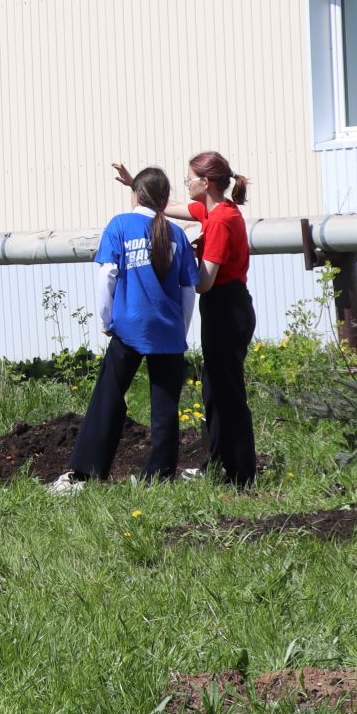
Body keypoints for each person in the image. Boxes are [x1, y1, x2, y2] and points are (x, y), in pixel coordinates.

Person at [52, 168, 200, 492]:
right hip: (168, 331)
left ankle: (87, 471)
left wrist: (105, 320)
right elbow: (188, 290)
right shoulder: (177, 234)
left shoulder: (120, 225)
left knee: (108, 395)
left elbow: (108, 274)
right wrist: (180, 330)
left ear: (136, 194)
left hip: (129, 327)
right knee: (165, 407)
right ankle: (159, 475)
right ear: (165, 198)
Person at [114, 153, 256, 485]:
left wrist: (184, 259)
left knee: (226, 391)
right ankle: (220, 465)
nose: (186, 184)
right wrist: (137, 185)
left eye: (189, 178)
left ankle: (239, 472)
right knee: (214, 388)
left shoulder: (219, 220)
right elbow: (167, 207)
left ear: (205, 182)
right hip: (225, 307)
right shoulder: (213, 211)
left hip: (226, 307)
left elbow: (204, 282)